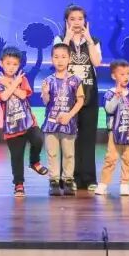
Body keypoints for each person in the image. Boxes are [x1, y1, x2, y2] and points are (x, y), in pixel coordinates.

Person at [55, 5, 102, 192]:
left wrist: (88, 39)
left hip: (89, 92)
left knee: (88, 137)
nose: (76, 22)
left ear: (85, 21)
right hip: (67, 96)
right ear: (66, 21)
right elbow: (60, 61)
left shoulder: (93, 40)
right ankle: (69, 178)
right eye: (72, 19)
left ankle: (89, 178)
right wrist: (67, 38)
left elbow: (97, 62)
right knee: (68, 138)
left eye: (80, 19)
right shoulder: (60, 40)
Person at [0, 46, 47, 197]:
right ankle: (19, 184)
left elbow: (23, 95)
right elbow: (4, 97)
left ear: (19, 65)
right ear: (1, 63)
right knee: (16, 156)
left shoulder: (22, 79)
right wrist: (11, 84)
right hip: (12, 126)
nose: (11, 67)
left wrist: (11, 83)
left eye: (15, 64)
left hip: (28, 123)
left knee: (38, 139)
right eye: (8, 63)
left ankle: (34, 162)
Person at [40, 43, 83, 197]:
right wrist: (45, 93)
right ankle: (53, 181)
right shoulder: (48, 80)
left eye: (64, 57)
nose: (60, 60)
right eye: (56, 57)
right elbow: (45, 102)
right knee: (52, 154)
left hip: (68, 123)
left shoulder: (76, 80)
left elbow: (80, 101)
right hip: (51, 124)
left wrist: (69, 116)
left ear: (69, 59)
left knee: (69, 154)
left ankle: (68, 180)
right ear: (52, 59)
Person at [98, 60, 129, 197]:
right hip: (114, 132)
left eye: (128, 74)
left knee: (128, 159)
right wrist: (117, 96)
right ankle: (103, 185)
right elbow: (109, 109)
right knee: (111, 158)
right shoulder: (110, 93)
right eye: (122, 74)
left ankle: (125, 185)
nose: (126, 77)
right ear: (114, 76)